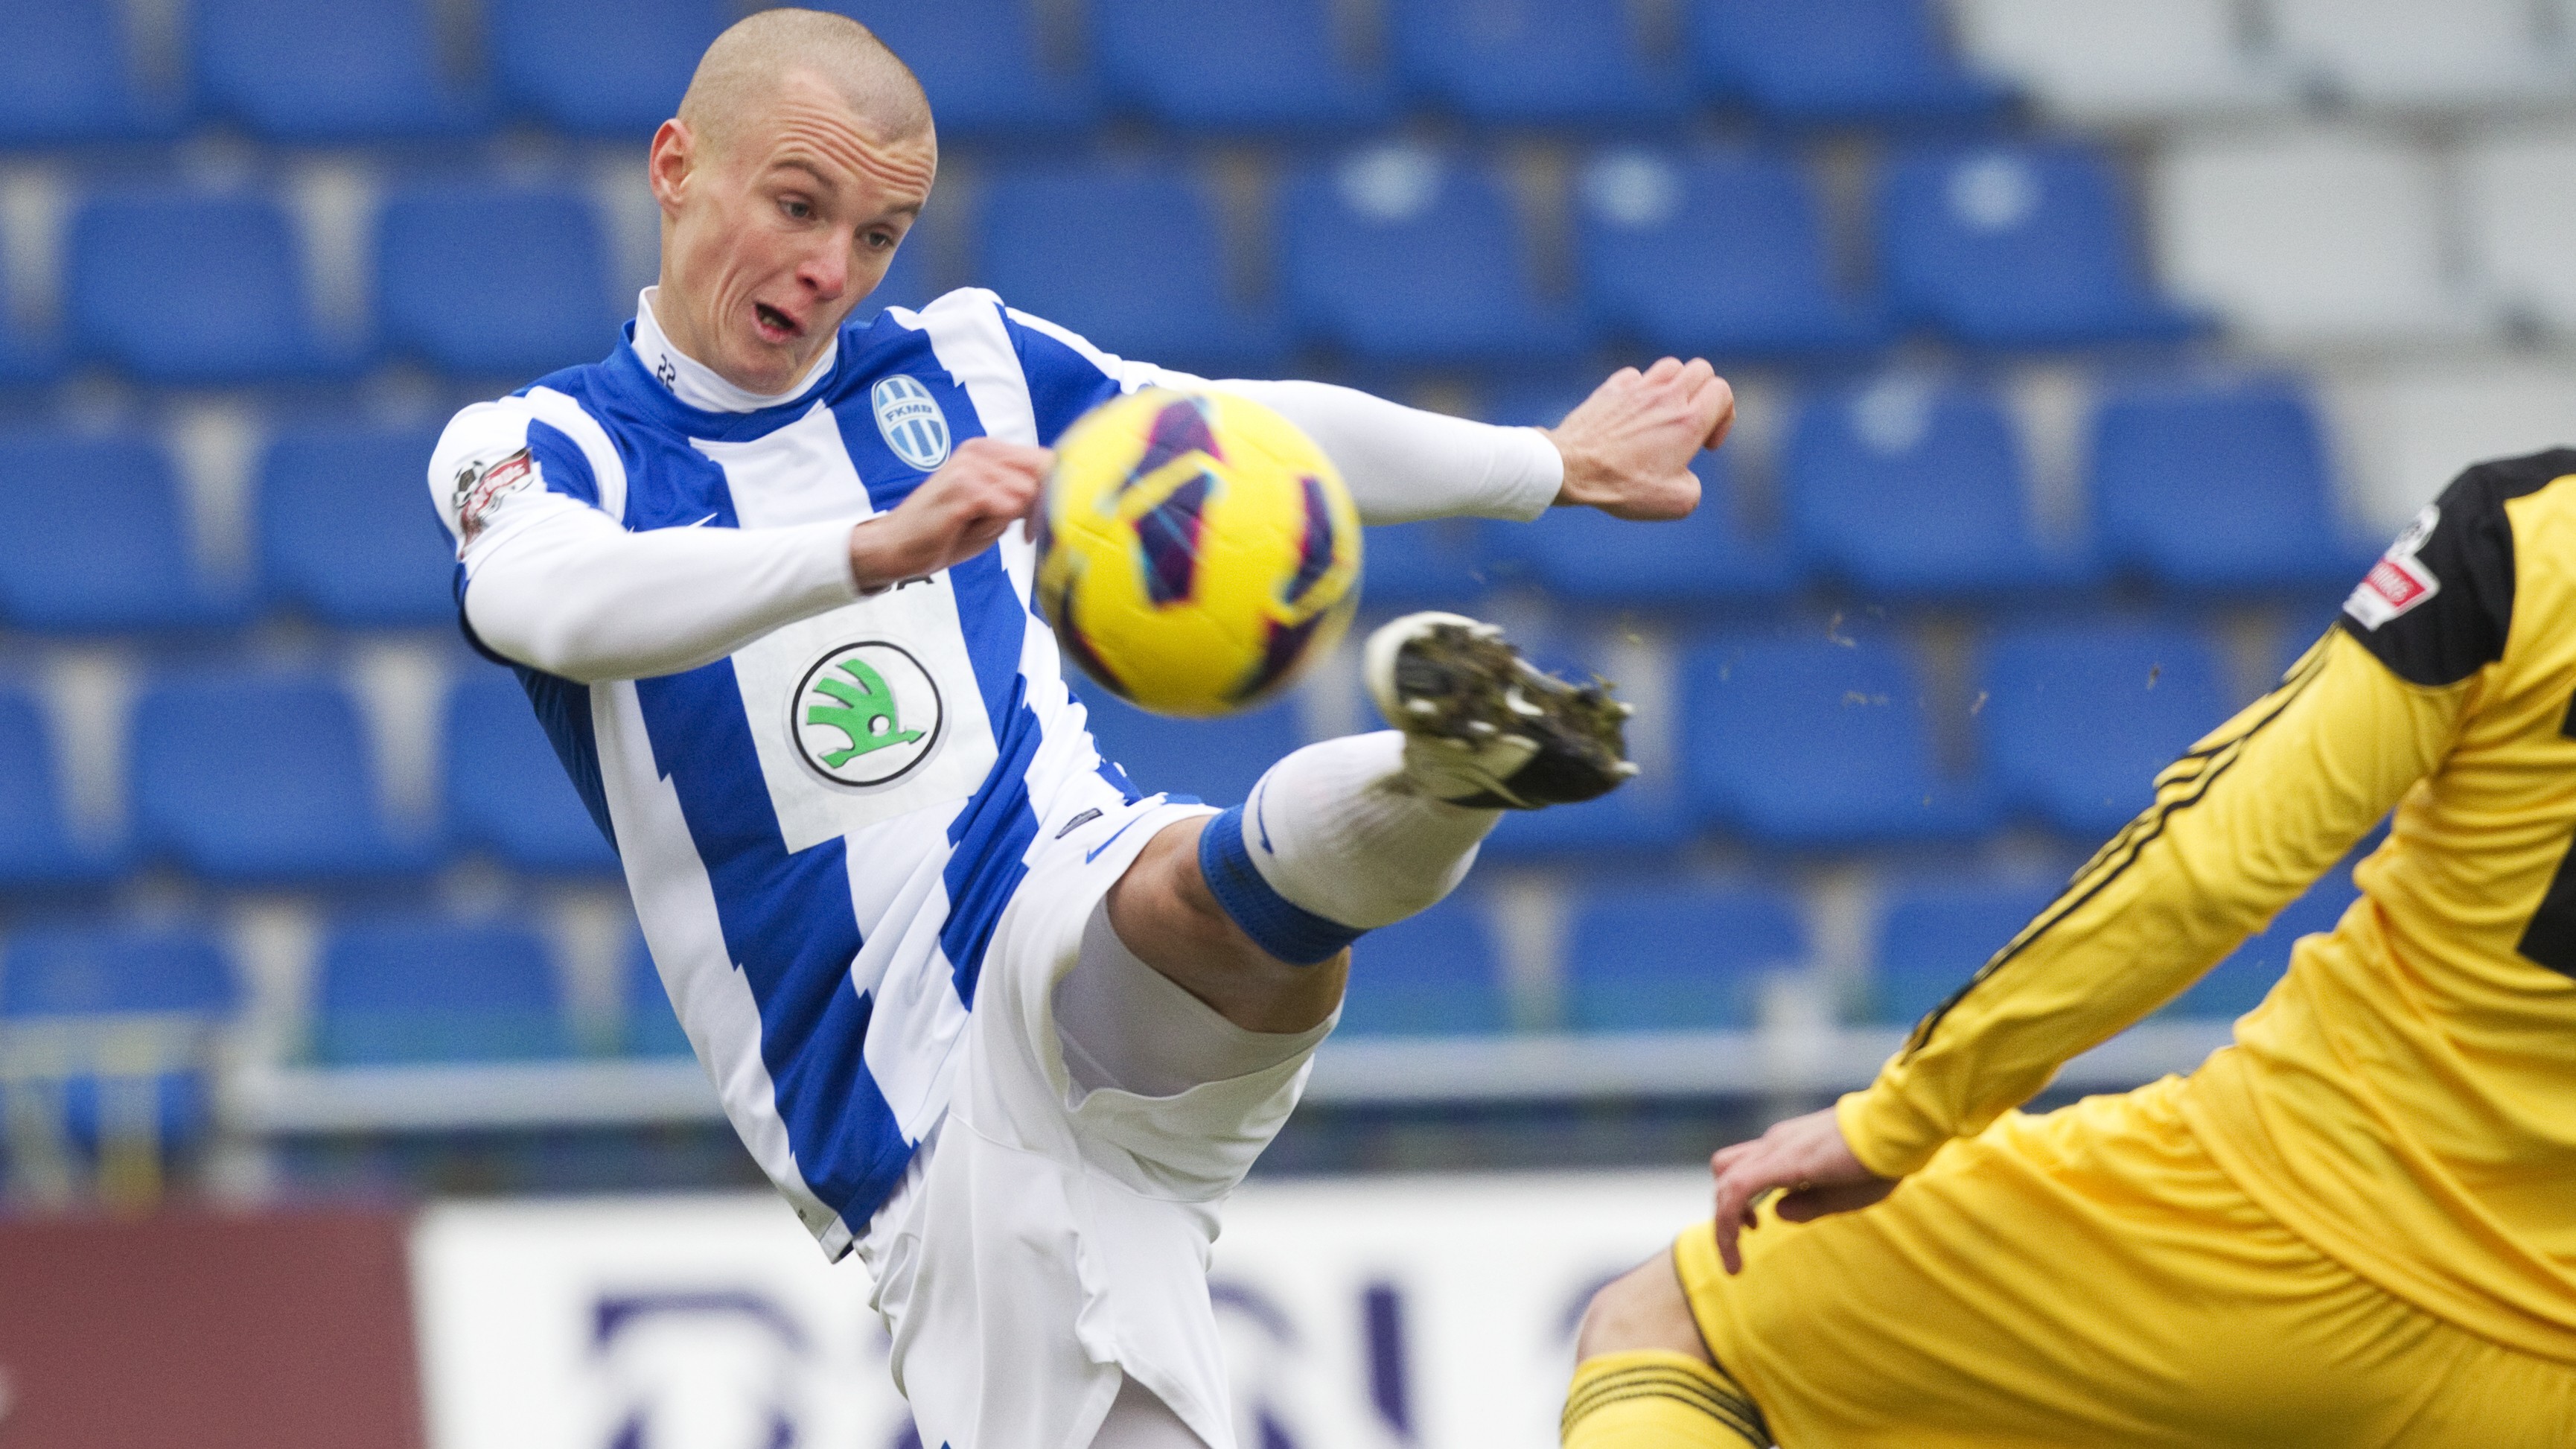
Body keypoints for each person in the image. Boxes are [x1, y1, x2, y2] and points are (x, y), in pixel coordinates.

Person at [425, 10, 1730, 1447]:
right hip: (919, 1121)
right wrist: (867, 549)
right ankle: (1438, 776)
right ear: (677, 166)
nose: (830, 269)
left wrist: (1546, 464)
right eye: (800, 207)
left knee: (1195, 890)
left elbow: (1241, 434)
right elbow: (548, 599)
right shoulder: (541, 446)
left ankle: (1456, 765)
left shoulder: (968, 363)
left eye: (876, 236)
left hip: (1067, 894)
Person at [1564, 448, 2576, 1448]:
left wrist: (1908, 1112)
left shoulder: (2533, 534)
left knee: (1665, 1323)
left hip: (2291, 1236)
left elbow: (2213, 863)